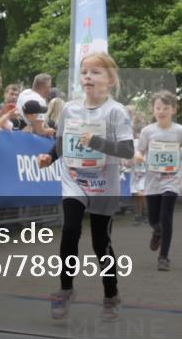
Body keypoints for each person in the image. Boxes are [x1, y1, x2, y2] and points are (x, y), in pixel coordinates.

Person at [37, 52, 133, 321]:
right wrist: (50, 156)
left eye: (96, 72)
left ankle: (111, 295)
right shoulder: (69, 109)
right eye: (84, 72)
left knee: (100, 242)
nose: (88, 77)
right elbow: (62, 142)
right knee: (70, 229)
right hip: (74, 179)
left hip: (104, 183)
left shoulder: (116, 111)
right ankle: (65, 289)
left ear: (110, 79)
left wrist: (97, 143)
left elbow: (126, 150)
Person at [134, 91, 182, 271]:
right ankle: (156, 231)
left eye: (166, 108)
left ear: (174, 110)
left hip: (171, 180)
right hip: (152, 181)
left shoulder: (180, 131)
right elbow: (140, 151)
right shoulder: (147, 131)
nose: (161, 111)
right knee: (153, 218)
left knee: (166, 217)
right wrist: (139, 157)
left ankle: (164, 257)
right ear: (153, 110)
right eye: (158, 108)